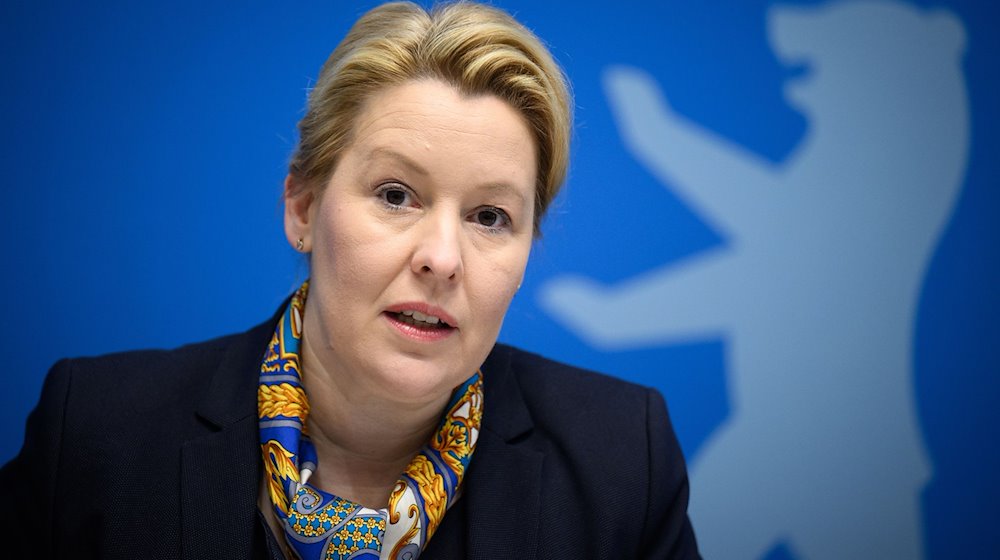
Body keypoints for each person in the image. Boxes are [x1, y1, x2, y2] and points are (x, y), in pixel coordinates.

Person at [0, 2, 700, 558]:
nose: (443, 258)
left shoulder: (621, 465)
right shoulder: (97, 435)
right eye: (397, 195)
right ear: (302, 209)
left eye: (490, 216)